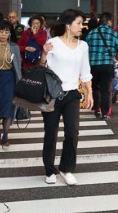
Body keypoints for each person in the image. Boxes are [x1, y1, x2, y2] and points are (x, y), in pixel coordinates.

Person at [39, 9, 93, 184]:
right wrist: (44, 53)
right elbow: (43, 68)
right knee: (50, 133)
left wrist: (89, 92)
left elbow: (85, 72)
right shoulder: (53, 43)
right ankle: (49, 171)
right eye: (78, 23)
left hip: (72, 94)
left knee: (72, 133)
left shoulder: (83, 46)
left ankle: (66, 168)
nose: (81, 27)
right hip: (53, 95)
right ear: (68, 25)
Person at [85, 12, 118, 120]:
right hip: (107, 65)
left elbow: (85, 48)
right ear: (109, 21)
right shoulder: (113, 33)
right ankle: (105, 113)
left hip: (93, 65)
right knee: (106, 90)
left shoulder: (91, 33)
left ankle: (97, 109)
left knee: (95, 88)